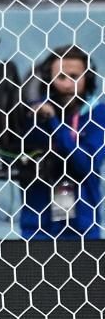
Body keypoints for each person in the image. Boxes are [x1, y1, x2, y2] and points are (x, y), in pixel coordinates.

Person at [22, 45, 105, 239]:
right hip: (37, 228)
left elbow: (85, 164)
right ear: (48, 79)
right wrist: (37, 116)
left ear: (88, 78)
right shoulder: (33, 113)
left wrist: (54, 122)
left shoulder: (97, 114)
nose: (68, 84)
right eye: (60, 77)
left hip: (81, 231)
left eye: (74, 77)